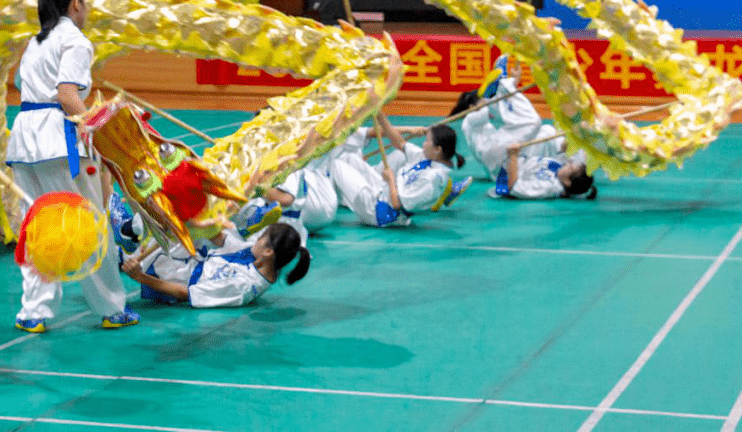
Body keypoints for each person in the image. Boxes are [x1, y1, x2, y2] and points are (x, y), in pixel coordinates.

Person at [6, 0, 138, 332]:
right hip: (59, 139)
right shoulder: (76, 41)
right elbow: (66, 94)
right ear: (76, 4)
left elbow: (25, 85)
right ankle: (111, 307)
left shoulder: (35, 42)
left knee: (37, 224)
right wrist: (96, 123)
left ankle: (34, 311)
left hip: (24, 137)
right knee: (91, 222)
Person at [120, 223, 310, 308]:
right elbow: (218, 237)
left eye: (261, 238)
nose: (257, 240)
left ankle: (127, 236)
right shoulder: (255, 255)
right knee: (163, 218)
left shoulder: (241, 286)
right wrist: (194, 215)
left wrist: (140, 277)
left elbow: (184, 293)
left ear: (269, 252)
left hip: (169, 275)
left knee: (131, 236)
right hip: (188, 257)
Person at [329, 116, 471, 228]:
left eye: (427, 141)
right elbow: (399, 143)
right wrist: (379, 114)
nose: (423, 144)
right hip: (382, 191)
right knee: (349, 157)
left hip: (379, 212)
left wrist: (391, 179)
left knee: (335, 164)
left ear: (437, 149)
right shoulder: (428, 158)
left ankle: (329, 203)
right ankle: (343, 197)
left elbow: (397, 204)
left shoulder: (432, 179)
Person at [494, 143, 597, 200]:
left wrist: (513, 155)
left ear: (567, 182)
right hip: (516, 160)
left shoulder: (548, 187)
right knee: (547, 130)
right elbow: (565, 148)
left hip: (504, 173)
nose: (568, 164)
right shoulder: (559, 172)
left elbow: (513, 186)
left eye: (570, 168)